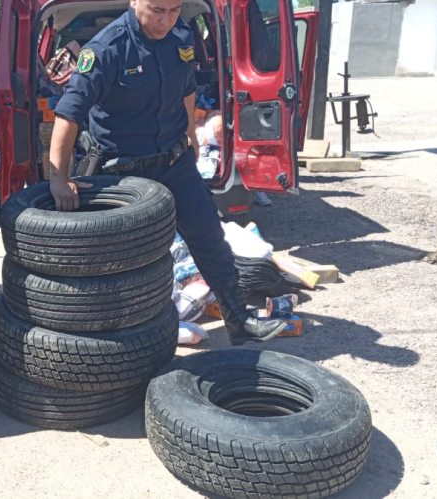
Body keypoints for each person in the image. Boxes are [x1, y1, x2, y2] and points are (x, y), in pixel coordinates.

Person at [48, 0, 287, 345]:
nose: (165, 19)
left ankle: (239, 320)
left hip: (175, 164)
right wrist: (58, 177)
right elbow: (68, 114)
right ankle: (121, 337)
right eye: (157, 9)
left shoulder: (181, 38)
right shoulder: (106, 49)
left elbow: (187, 90)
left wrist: (190, 137)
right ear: (134, 2)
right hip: (123, 173)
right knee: (125, 257)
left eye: (174, 10)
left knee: (209, 237)